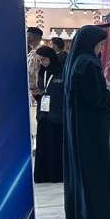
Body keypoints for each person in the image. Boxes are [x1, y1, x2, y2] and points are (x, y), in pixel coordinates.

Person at [62, 24, 110, 219]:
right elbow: (97, 99)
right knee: (97, 175)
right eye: (100, 44)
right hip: (92, 130)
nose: (102, 49)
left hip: (79, 127)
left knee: (82, 176)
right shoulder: (89, 64)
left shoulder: (73, 62)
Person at [33, 46, 64, 183]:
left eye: (44, 59)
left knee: (56, 145)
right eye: (40, 60)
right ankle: (43, 175)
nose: (43, 62)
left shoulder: (61, 72)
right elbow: (42, 91)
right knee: (43, 145)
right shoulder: (41, 73)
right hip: (43, 115)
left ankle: (56, 175)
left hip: (57, 116)